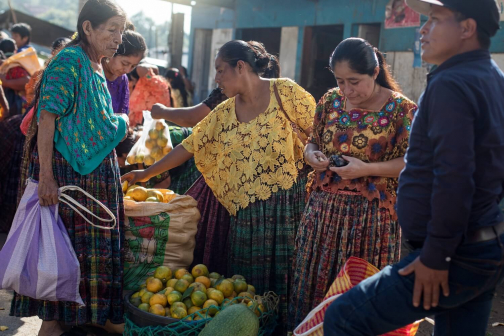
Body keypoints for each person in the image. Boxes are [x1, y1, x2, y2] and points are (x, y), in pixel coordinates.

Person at [323, 1, 504, 335]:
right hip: (482, 247)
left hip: (453, 256)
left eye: (434, 20)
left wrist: (436, 257)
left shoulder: (453, 84)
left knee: (343, 318)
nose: (422, 29)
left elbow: (455, 179)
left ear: (467, 28)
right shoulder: (491, 77)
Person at [123, 40, 316, 328]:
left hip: (288, 212)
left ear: (241, 67)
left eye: (220, 70)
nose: (216, 78)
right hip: (246, 219)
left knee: (286, 282)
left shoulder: (284, 91)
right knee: (246, 289)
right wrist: (146, 173)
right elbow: (189, 145)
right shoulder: (225, 112)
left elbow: (319, 130)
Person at [10, 1, 129, 335]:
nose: (118, 38)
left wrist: (118, 124)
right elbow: (47, 118)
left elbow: (97, 122)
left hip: (95, 181)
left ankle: (81, 323)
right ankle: (55, 326)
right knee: (64, 257)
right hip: (68, 177)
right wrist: (46, 176)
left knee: (90, 261)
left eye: (121, 30)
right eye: (112, 29)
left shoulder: (95, 65)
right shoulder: (70, 61)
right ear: (88, 28)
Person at [289, 37, 417, 329]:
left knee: (361, 295)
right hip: (322, 215)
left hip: (372, 220)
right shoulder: (330, 101)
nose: (347, 90)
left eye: (354, 81)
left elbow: (414, 162)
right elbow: (312, 142)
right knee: (313, 286)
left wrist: (366, 169)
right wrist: (313, 156)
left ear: (374, 72)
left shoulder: (402, 110)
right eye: (340, 81)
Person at [103, 29, 147, 115]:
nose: (127, 70)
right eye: (125, 63)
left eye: (133, 66)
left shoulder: (122, 80)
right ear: (112, 53)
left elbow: (122, 115)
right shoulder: (94, 74)